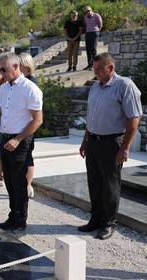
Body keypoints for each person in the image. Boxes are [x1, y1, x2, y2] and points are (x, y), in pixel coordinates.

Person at [78, 53, 142, 240]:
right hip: (93, 141)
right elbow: (91, 117)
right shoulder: (95, 87)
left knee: (110, 185)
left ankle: (108, 223)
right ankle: (95, 219)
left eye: (99, 70)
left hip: (112, 142)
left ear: (111, 68)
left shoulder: (125, 86)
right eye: (94, 69)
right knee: (94, 182)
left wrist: (125, 148)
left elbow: (133, 121)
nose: (96, 73)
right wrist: (85, 141)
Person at [0, 53, 43, 231]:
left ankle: (20, 220)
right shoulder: (3, 88)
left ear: (16, 67)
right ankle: (12, 216)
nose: (0, 72)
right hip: (5, 137)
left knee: (19, 181)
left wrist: (18, 139)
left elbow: (37, 120)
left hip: (20, 140)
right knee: (8, 179)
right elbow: (0, 114)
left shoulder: (30, 88)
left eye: (4, 69)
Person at [18, 52, 38, 198]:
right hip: (19, 125)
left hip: (28, 126)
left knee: (27, 156)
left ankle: (28, 184)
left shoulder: (31, 83)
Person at [83, 6, 102, 70]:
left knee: (93, 49)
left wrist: (97, 31)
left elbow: (100, 25)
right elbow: (86, 25)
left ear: (91, 10)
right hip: (88, 33)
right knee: (88, 49)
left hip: (94, 33)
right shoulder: (85, 17)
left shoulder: (96, 16)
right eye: (86, 12)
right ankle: (89, 65)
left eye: (88, 11)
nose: (87, 12)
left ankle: (95, 65)